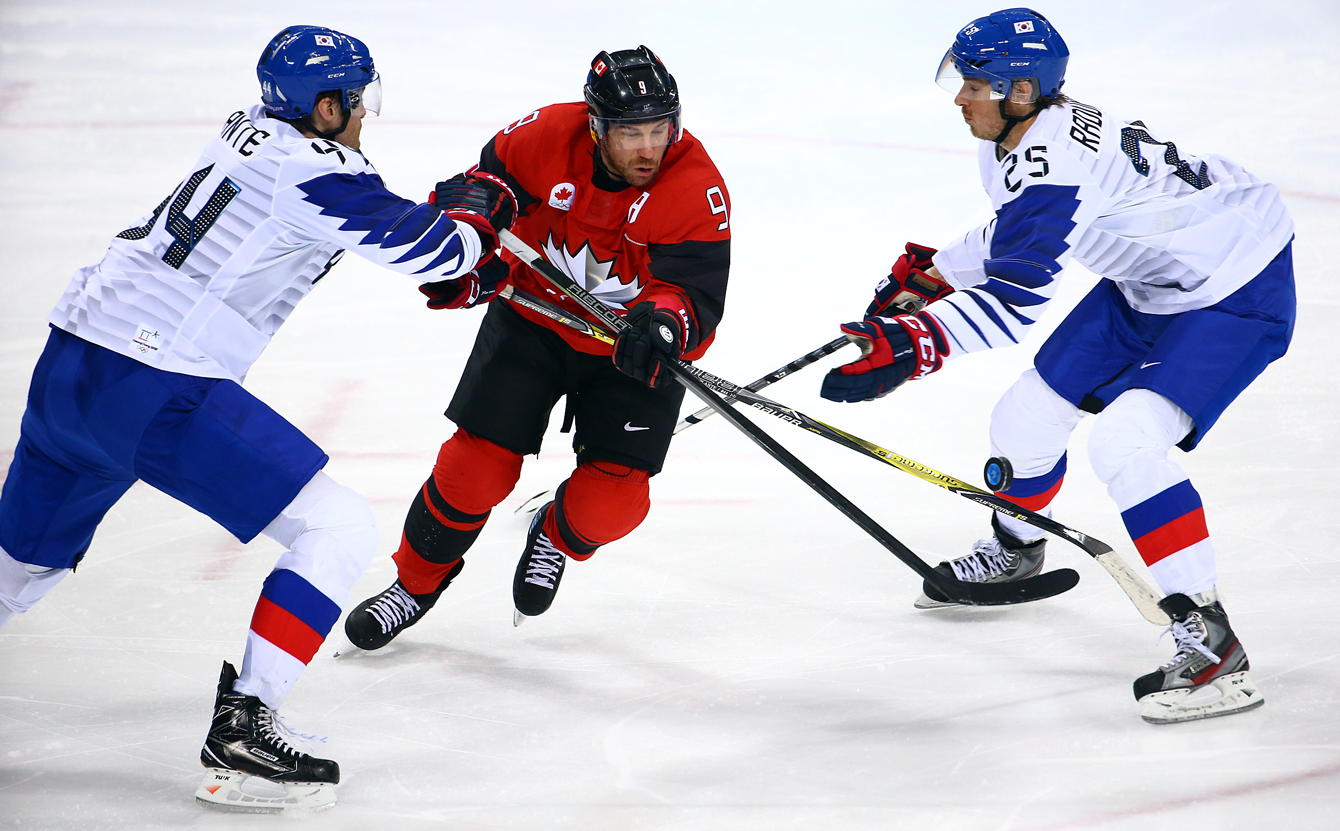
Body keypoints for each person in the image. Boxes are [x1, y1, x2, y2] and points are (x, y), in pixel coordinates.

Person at [0, 26, 515, 810]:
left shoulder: (252, 131)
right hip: (154, 381)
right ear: (326, 104)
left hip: (70, 364)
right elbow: (437, 253)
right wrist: (476, 219)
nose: (366, 115)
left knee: (18, 568)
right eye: (358, 99)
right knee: (335, 528)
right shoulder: (310, 174)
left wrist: (447, 230)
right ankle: (245, 732)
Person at [819, 8, 1294, 724]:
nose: (958, 97)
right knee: (1024, 417)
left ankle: (1210, 640)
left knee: (1125, 442)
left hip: (1234, 285)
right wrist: (937, 274)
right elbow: (1018, 226)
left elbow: (1013, 302)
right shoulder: (1016, 132)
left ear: (1019, 91)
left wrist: (915, 342)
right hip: (1153, 281)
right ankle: (1017, 547)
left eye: (972, 83)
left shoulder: (1052, 159)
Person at [343, 45, 730, 646]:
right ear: (597, 125)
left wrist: (663, 325)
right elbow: (483, 193)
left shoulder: (694, 187)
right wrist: (464, 244)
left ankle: (552, 532)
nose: (649, 148)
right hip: (532, 321)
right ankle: (415, 584)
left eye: (660, 130)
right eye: (631, 134)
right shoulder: (545, 135)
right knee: (474, 468)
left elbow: (695, 295)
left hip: (625, 352)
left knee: (613, 504)